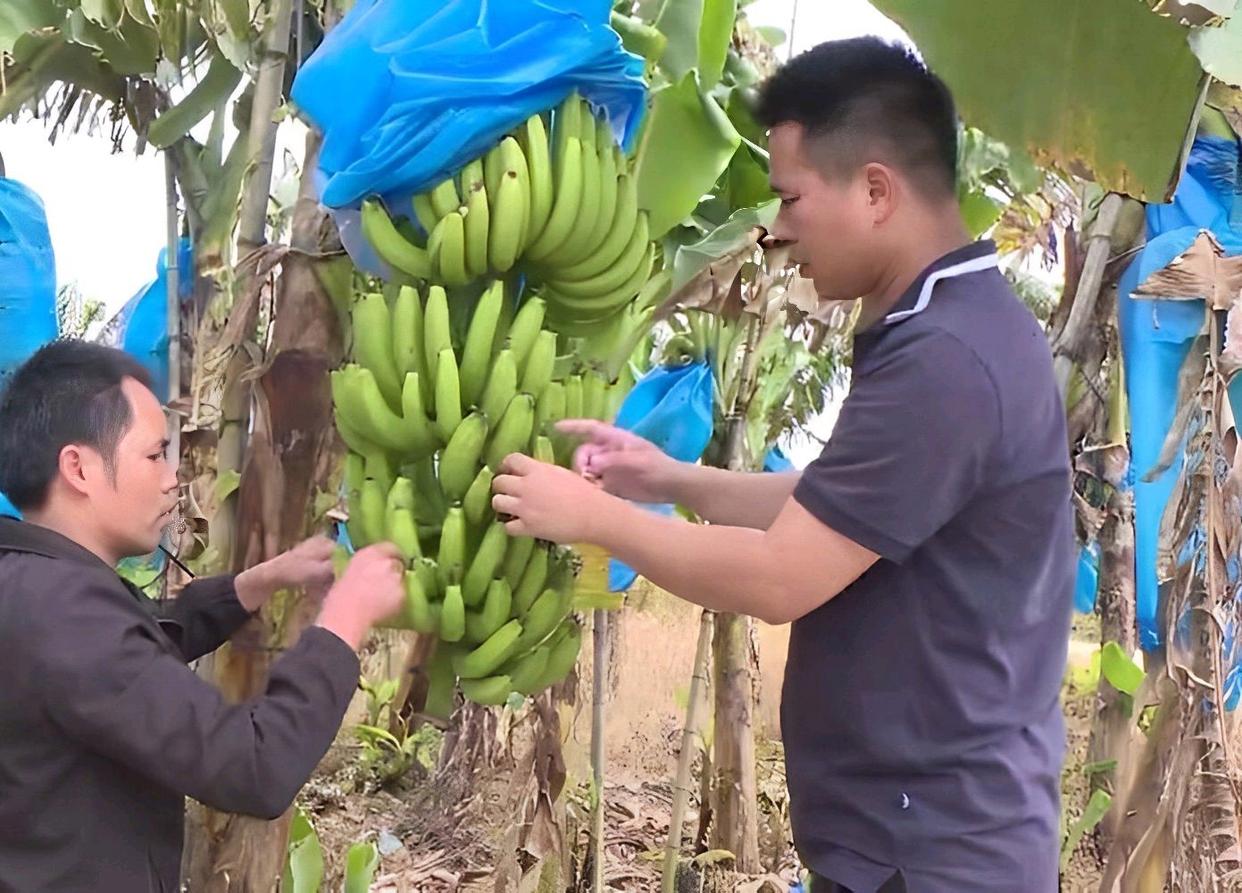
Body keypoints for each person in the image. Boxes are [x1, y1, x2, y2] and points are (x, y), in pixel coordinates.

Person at [492, 37, 1073, 893]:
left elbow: (779, 578)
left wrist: (591, 518)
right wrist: (669, 480)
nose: (779, 228)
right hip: (915, 837)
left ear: (876, 191)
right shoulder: (947, 321)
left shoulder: (948, 359)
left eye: (793, 198)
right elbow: (843, 507)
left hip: (935, 857)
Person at [0, 340, 406, 892]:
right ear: (79, 468)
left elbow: (135, 650)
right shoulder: (65, 612)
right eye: (152, 455)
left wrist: (259, 580)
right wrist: (344, 622)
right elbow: (256, 768)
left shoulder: (32, 584)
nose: (171, 478)